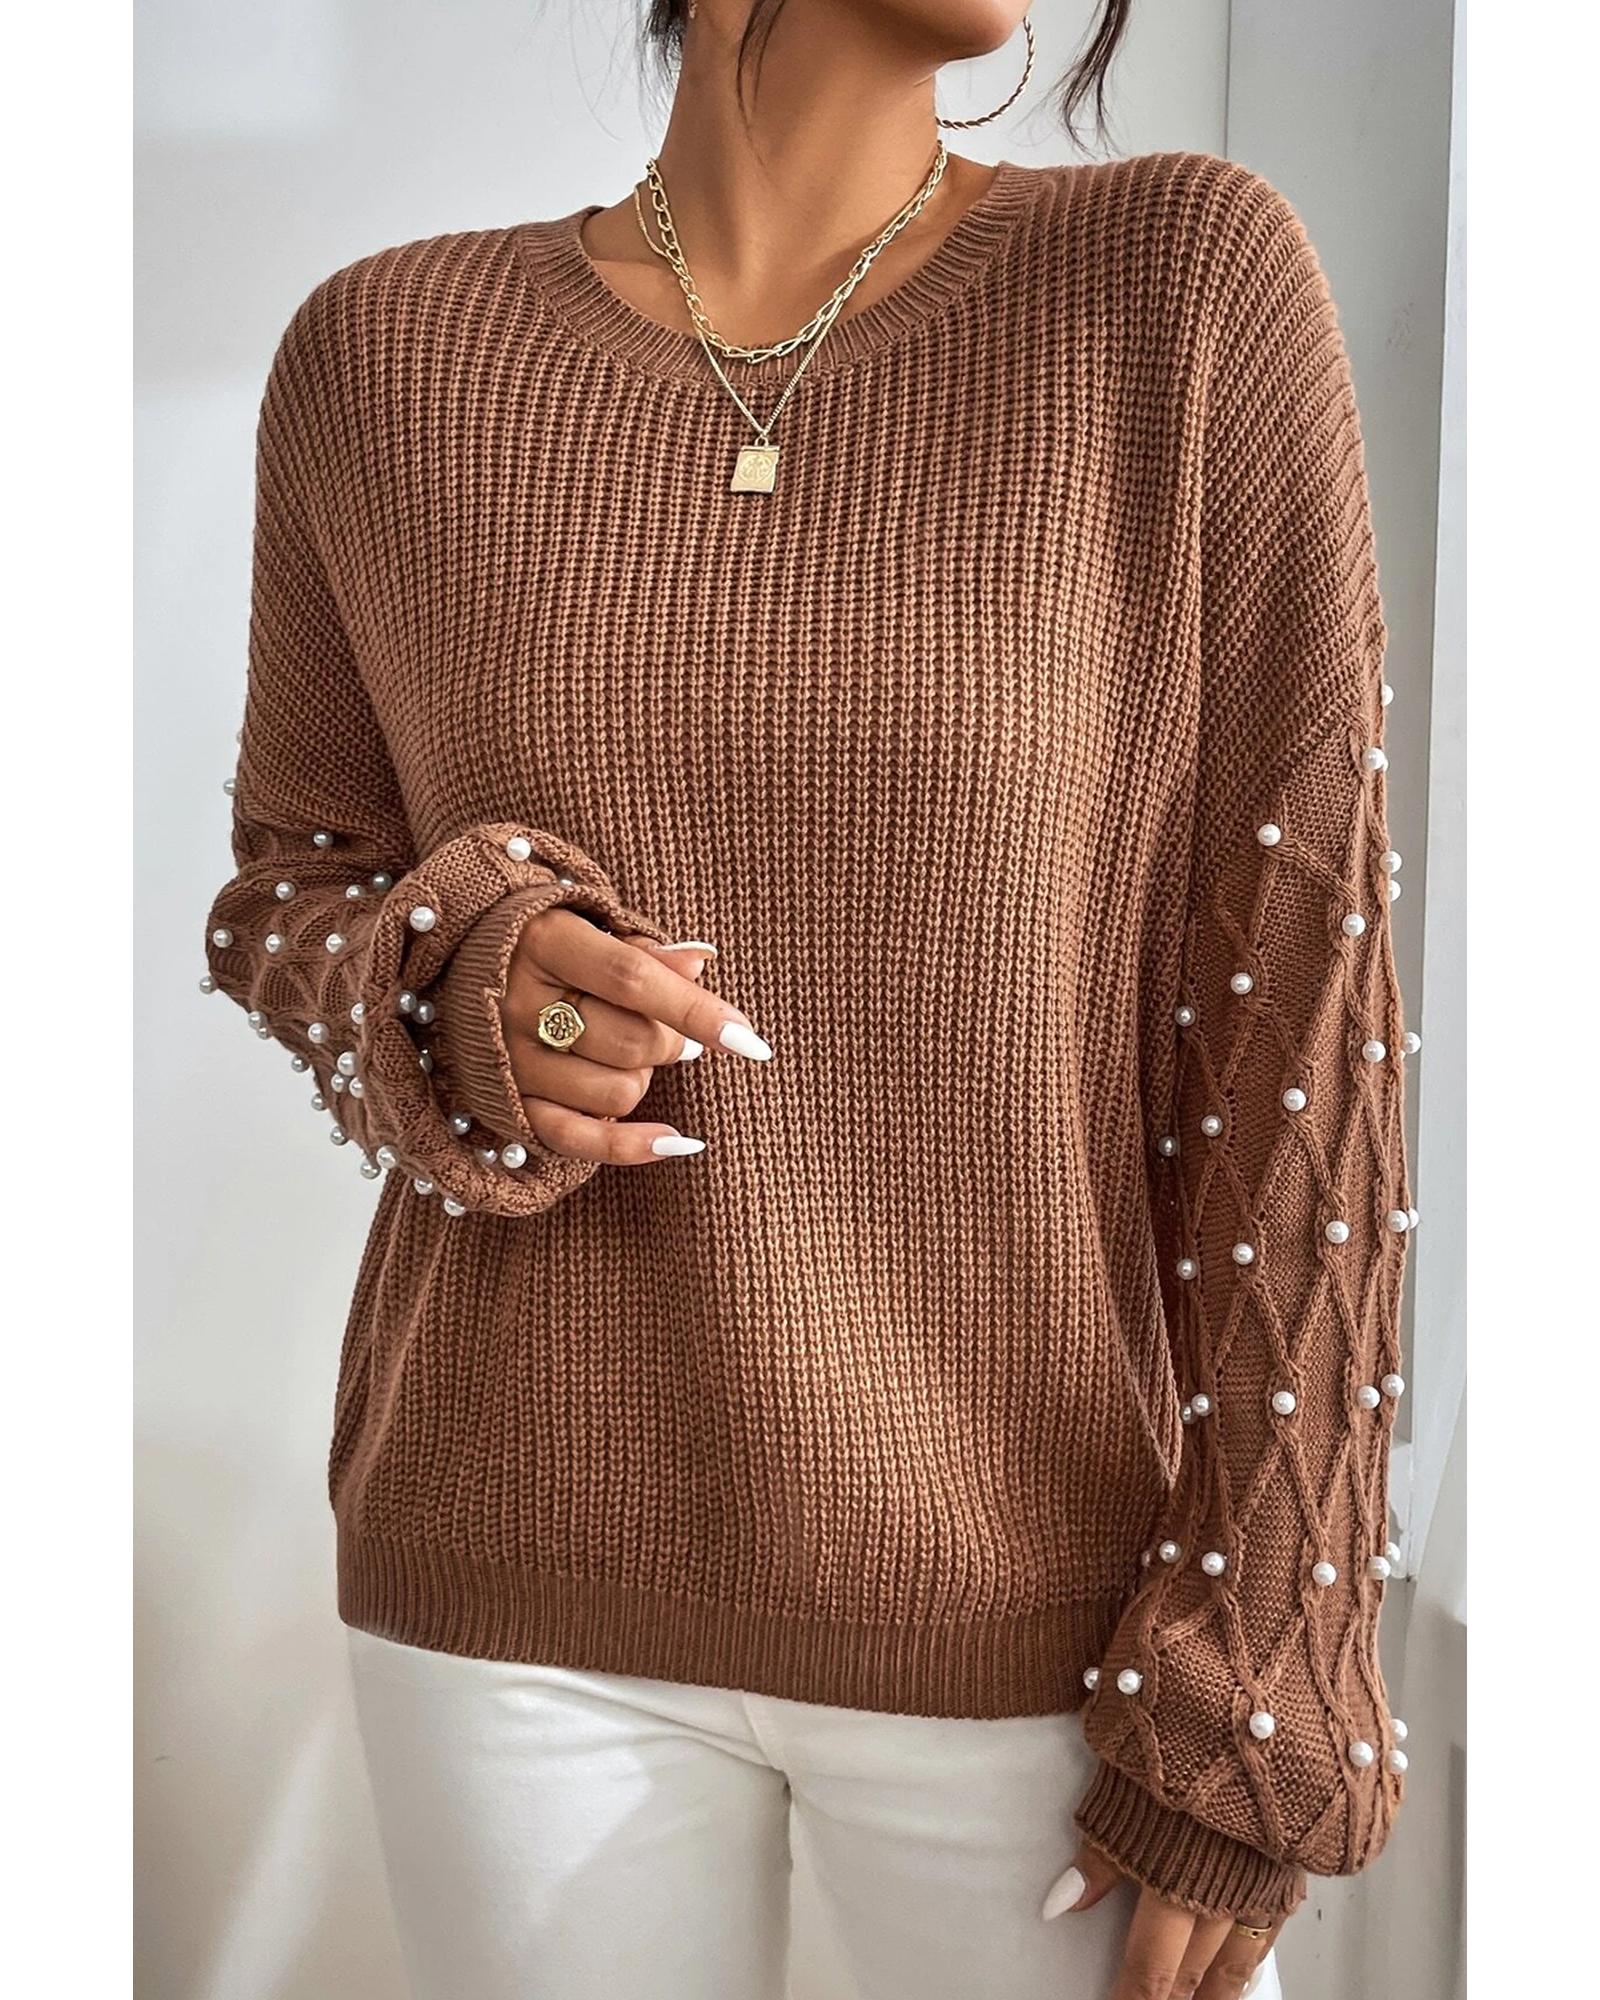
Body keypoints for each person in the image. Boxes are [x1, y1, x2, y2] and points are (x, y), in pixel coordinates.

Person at [200, 3, 1416, 1995]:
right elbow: (291, 892)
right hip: (512, 1581)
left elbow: (1306, 1013)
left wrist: (1267, 1661)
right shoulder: (383, 355)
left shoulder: (1179, 286)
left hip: (1048, 1611)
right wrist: (460, 972)